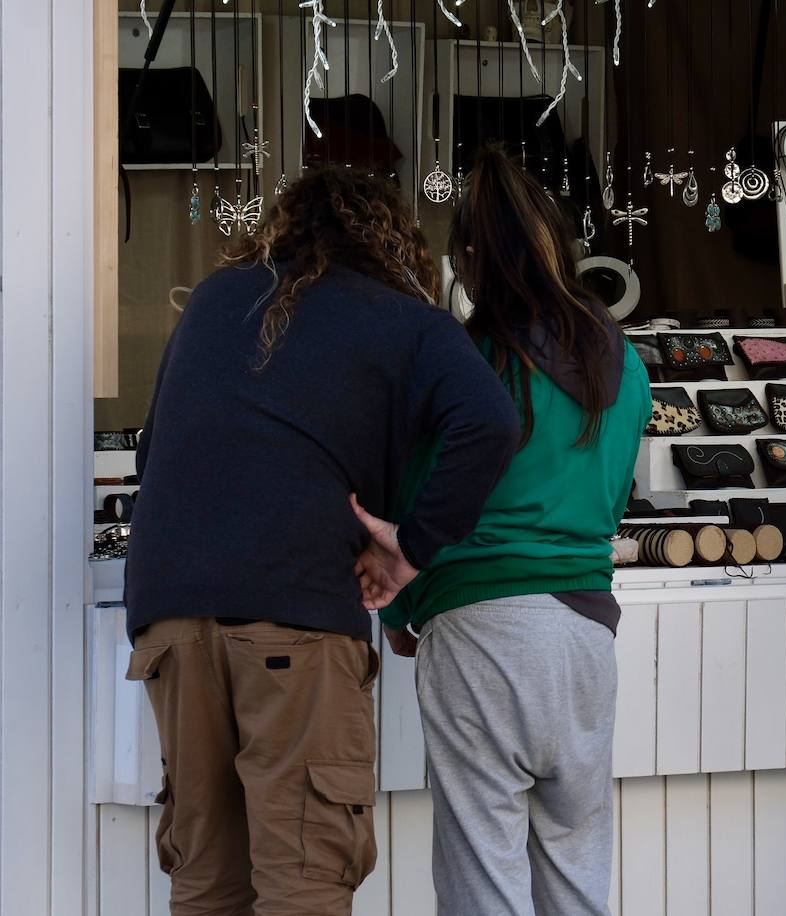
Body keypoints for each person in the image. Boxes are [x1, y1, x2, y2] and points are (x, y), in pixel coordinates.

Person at [123, 167, 521, 916]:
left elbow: (154, 455)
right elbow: (491, 422)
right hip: (295, 612)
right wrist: (412, 545)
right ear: (392, 240)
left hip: (168, 616)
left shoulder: (214, 298)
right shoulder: (408, 320)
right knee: (303, 879)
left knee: (204, 878)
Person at [353, 146, 651, 916]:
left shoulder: (465, 360)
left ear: (473, 259)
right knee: (577, 883)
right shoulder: (621, 358)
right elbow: (612, 502)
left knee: (485, 887)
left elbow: (416, 499)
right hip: (587, 638)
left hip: (481, 634)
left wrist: (399, 608)